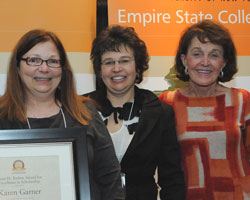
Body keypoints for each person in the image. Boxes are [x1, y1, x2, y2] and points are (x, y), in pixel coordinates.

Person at [0, 29, 124, 200]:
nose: (44, 69)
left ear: (62, 69)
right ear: (18, 67)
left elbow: (111, 179)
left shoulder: (86, 113)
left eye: (53, 61)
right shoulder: (2, 117)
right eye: (34, 60)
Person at [84, 25, 186, 200]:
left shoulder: (161, 113)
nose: (117, 68)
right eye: (109, 62)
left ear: (138, 67)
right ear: (100, 71)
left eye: (124, 61)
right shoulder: (80, 109)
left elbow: (172, 178)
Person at [159, 19, 250, 200]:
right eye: (197, 54)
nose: (205, 62)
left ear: (224, 63)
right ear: (184, 59)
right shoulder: (166, 104)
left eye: (214, 55)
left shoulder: (242, 101)